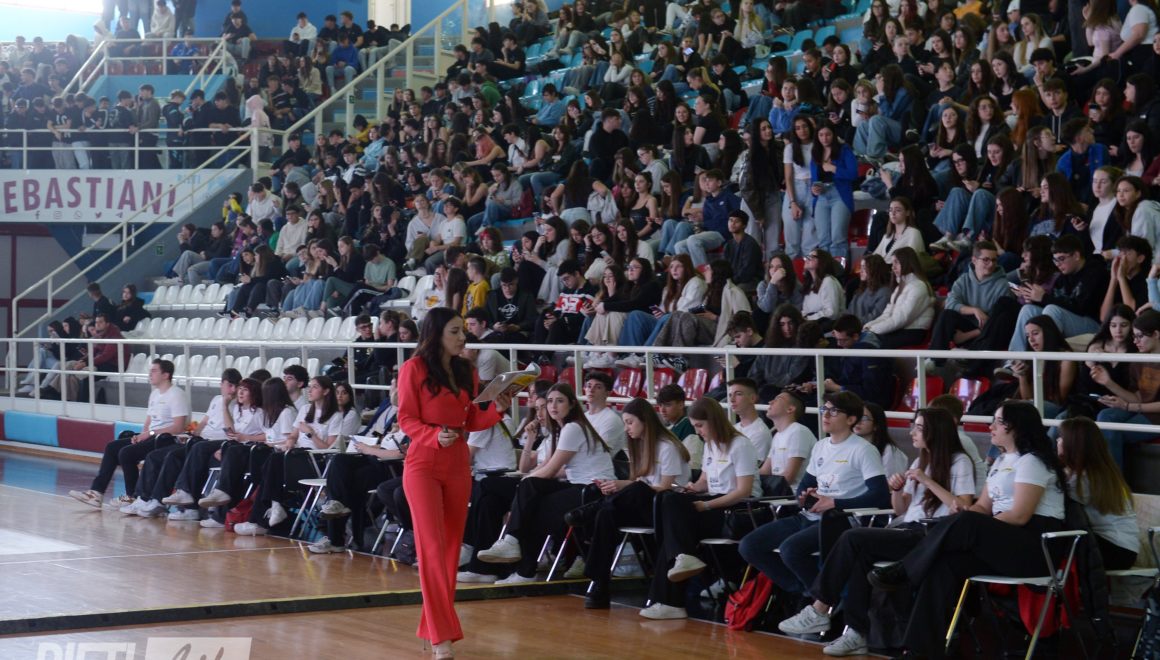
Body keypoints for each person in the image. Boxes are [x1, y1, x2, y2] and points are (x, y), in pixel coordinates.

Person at [867, 401, 1068, 657]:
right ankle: (920, 650)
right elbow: (982, 507)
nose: (991, 426)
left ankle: (905, 570)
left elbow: (1020, 515)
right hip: (1004, 542)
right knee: (944, 564)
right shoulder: (1001, 461)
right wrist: (962, 515)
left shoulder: (1032, 462)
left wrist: (969, 521)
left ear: (1016, 427)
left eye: (998, 422)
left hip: (1036, 547)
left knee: (966, 521)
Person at [778, 406, 975, 655]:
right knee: (860, 555)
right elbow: (901, 509)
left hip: (932, 535)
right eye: (913, 426)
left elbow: (964, 507)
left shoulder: (959, 462)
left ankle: (820, 607)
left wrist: (927, 481)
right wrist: (897, 491)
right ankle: (857, 632)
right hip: (907, 527)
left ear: (936, 431)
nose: (912, 432)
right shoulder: (920, 461)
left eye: (919, 428)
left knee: (852, 537)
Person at [396, 307, 513, 659]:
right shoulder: (413, 368)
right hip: (422, 464)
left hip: (458, 464)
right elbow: (406, 418)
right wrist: (432, 436)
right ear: (435, 334)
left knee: (449, 552)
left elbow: (472, 419)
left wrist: (498, 409)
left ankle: (432, 628)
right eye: (455, 331)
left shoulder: (467, 370)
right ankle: (441, 636)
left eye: (463, 330)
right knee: (432, 548)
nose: (463, 337)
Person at [738, 391, 889, 599]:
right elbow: (805, 484)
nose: (825, 415)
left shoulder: (863, 450)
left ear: (851, 419)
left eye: (833, 411)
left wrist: (835, 503)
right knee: (749, 546)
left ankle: (823, 598)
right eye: (824, 409)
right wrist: (804, 496)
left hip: (839, 520)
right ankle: (807, 592)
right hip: (810, 515)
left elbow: (880, 495)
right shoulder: (821, 446)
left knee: (790, 549)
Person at [475, 383, 613, 583]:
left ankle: (522, 566)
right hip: (577, 485)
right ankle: (512, 553)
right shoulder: (561, 430)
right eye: (549, 401)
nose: (553, 406)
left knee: (534, 505)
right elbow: (545, 467)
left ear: (572, 404)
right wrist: (525, 483)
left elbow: (550, 471)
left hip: (593, 491)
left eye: (560, 401)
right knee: (525, 492)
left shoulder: (573, 428)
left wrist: (523, 484)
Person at [639, 397, 759, 620]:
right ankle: (682, 558)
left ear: (714, 421)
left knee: (673, 526)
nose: (698, 431)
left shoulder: (740, 445)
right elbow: (704, 480)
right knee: (668, 499)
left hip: (739, 508)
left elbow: (743, 491)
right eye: (695, 426)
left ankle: (669, 599)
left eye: (700, 426)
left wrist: (705, 505)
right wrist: (691, 488)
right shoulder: (711, 445)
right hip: (713, 503)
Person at [581, 398, 691, 608]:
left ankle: (594, 509)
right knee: (607, 514)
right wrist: (619, 485)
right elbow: (640, 482)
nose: (626, 428)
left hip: (666, 510)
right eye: (625, 423)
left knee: (637, 490)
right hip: (645, 505)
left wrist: (629, 487)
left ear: (645, 421)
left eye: (630, 422)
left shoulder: (667, 447)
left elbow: (665, 487)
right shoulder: (641, 446)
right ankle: (600, 584)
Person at [68, 359, 189, 510]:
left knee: (126, 453)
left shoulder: (177, 394)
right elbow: (149, 421)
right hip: (151, 436)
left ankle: (132, 496)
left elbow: (178, 427)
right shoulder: (154, 394)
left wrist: (149, 433)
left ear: (166, 375)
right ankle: (96, 493)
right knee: (112, 447)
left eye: (154, 371)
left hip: (166, 439)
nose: (150, 374)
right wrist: (141, 436)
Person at [1057, 417, 1140, 570]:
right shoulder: (1100, 472)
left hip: (1115, 550)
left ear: (1073, 444)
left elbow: (1058, 504)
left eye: (1061, 437)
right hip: (1124, 549)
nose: (1057, 441)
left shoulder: (1084, 479)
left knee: (1052, 538)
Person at [1092, 309, 1160, 467]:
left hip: (1156, 415)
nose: (1135, 341)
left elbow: (1136, 404)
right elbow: (1138, 397)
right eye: (1134, 336)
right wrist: (1108, 382)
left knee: (1113, 432)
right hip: (1142, 410)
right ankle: (1113, 478)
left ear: (1156, 334)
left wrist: (1128, 406)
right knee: (1106, 416)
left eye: (1140, 336)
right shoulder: (1137, 359)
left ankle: (1113, 479)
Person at [758, 392, 817, 493]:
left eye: (777, 399)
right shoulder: (777, 435)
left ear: (790, 409)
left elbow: (789, 477)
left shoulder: (798, 431)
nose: (770, 402)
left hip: (794, 494)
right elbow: (764, 471)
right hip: (780, 491)